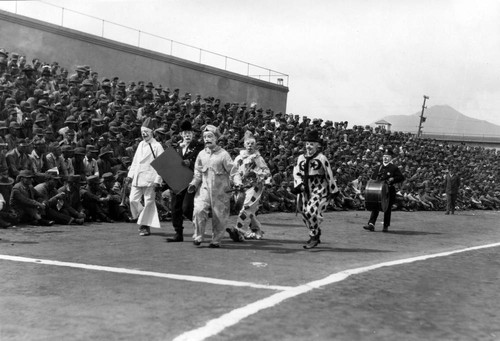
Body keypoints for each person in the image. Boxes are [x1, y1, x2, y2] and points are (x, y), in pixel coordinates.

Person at [188, 125, 233, 248]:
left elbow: (233, 171)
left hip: (220, 190)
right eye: (205, 137)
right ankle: (198, 236)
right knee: (198, 210)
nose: (207, 139)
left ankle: (216, 240)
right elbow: (197, 172)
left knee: (219, 215)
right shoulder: (201, 154)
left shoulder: (224, 154)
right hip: (204, 188)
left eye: (210, 136)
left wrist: (237, 183)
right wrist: (194, 183)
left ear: (216, 138)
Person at [291, 130, 338, 249]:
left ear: (318, 145)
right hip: (305, 189)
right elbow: (296, 172)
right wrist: (299, 184)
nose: (309, 146)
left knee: (311, 211)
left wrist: (333, 191)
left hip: (319, 188)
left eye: (312, 144)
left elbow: (329, 174)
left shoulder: (322, 158)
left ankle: (314, 236)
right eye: (307, 144)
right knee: (304, 214)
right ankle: (316, 231)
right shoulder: (300, 158)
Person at [227, 130, 270, 241]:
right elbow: (234, 172)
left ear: (255, 145)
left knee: (247, 207)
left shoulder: (258, 158)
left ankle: (239, 231)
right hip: (242, 186)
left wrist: (255, 173)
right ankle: (256, 230)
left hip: (254, 186)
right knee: (246, 209)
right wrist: (238, 182)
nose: (250, 146)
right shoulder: (239, 158)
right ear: (244, 144)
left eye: (252, 144)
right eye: (248, 143)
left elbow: (266, 172)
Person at [126, 117, 164, 236]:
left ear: (151, 132)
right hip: (137, 177)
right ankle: (144, 215)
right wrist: (130, 175)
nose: (144, 135)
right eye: (142, 132)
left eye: (146, 132)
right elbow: (135, 161)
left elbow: (162, 165)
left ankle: (145, 226)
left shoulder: (157, 146)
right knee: (133, 199)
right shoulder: (140, 145)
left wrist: (158, 181)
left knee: (148, 202)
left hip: (150, 179)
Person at [167, 119, 203, 242]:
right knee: (175, 208)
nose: (187, 135)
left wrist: (191, 163)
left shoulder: (199, 147)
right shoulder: (176, 147)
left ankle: (199, 225)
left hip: (192, 181)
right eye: (185, 133)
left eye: (189, 132)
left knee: (187, 207)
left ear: (193, 134)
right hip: (177, 180)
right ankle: (178, 233)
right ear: (181, 135)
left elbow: (203, 161)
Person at [363, 148, 405, 232]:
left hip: (388, 191)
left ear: (391, 158)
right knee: (375, 206)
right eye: (384, 156)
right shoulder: (378, 167)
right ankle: (371, 224)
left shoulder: (394, 168)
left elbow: (401, 177)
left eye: (387, 156)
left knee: (387, 209)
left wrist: (393, 179)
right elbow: (373, 178)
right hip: (377, 190)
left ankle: (385, 226)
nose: (385, 158)